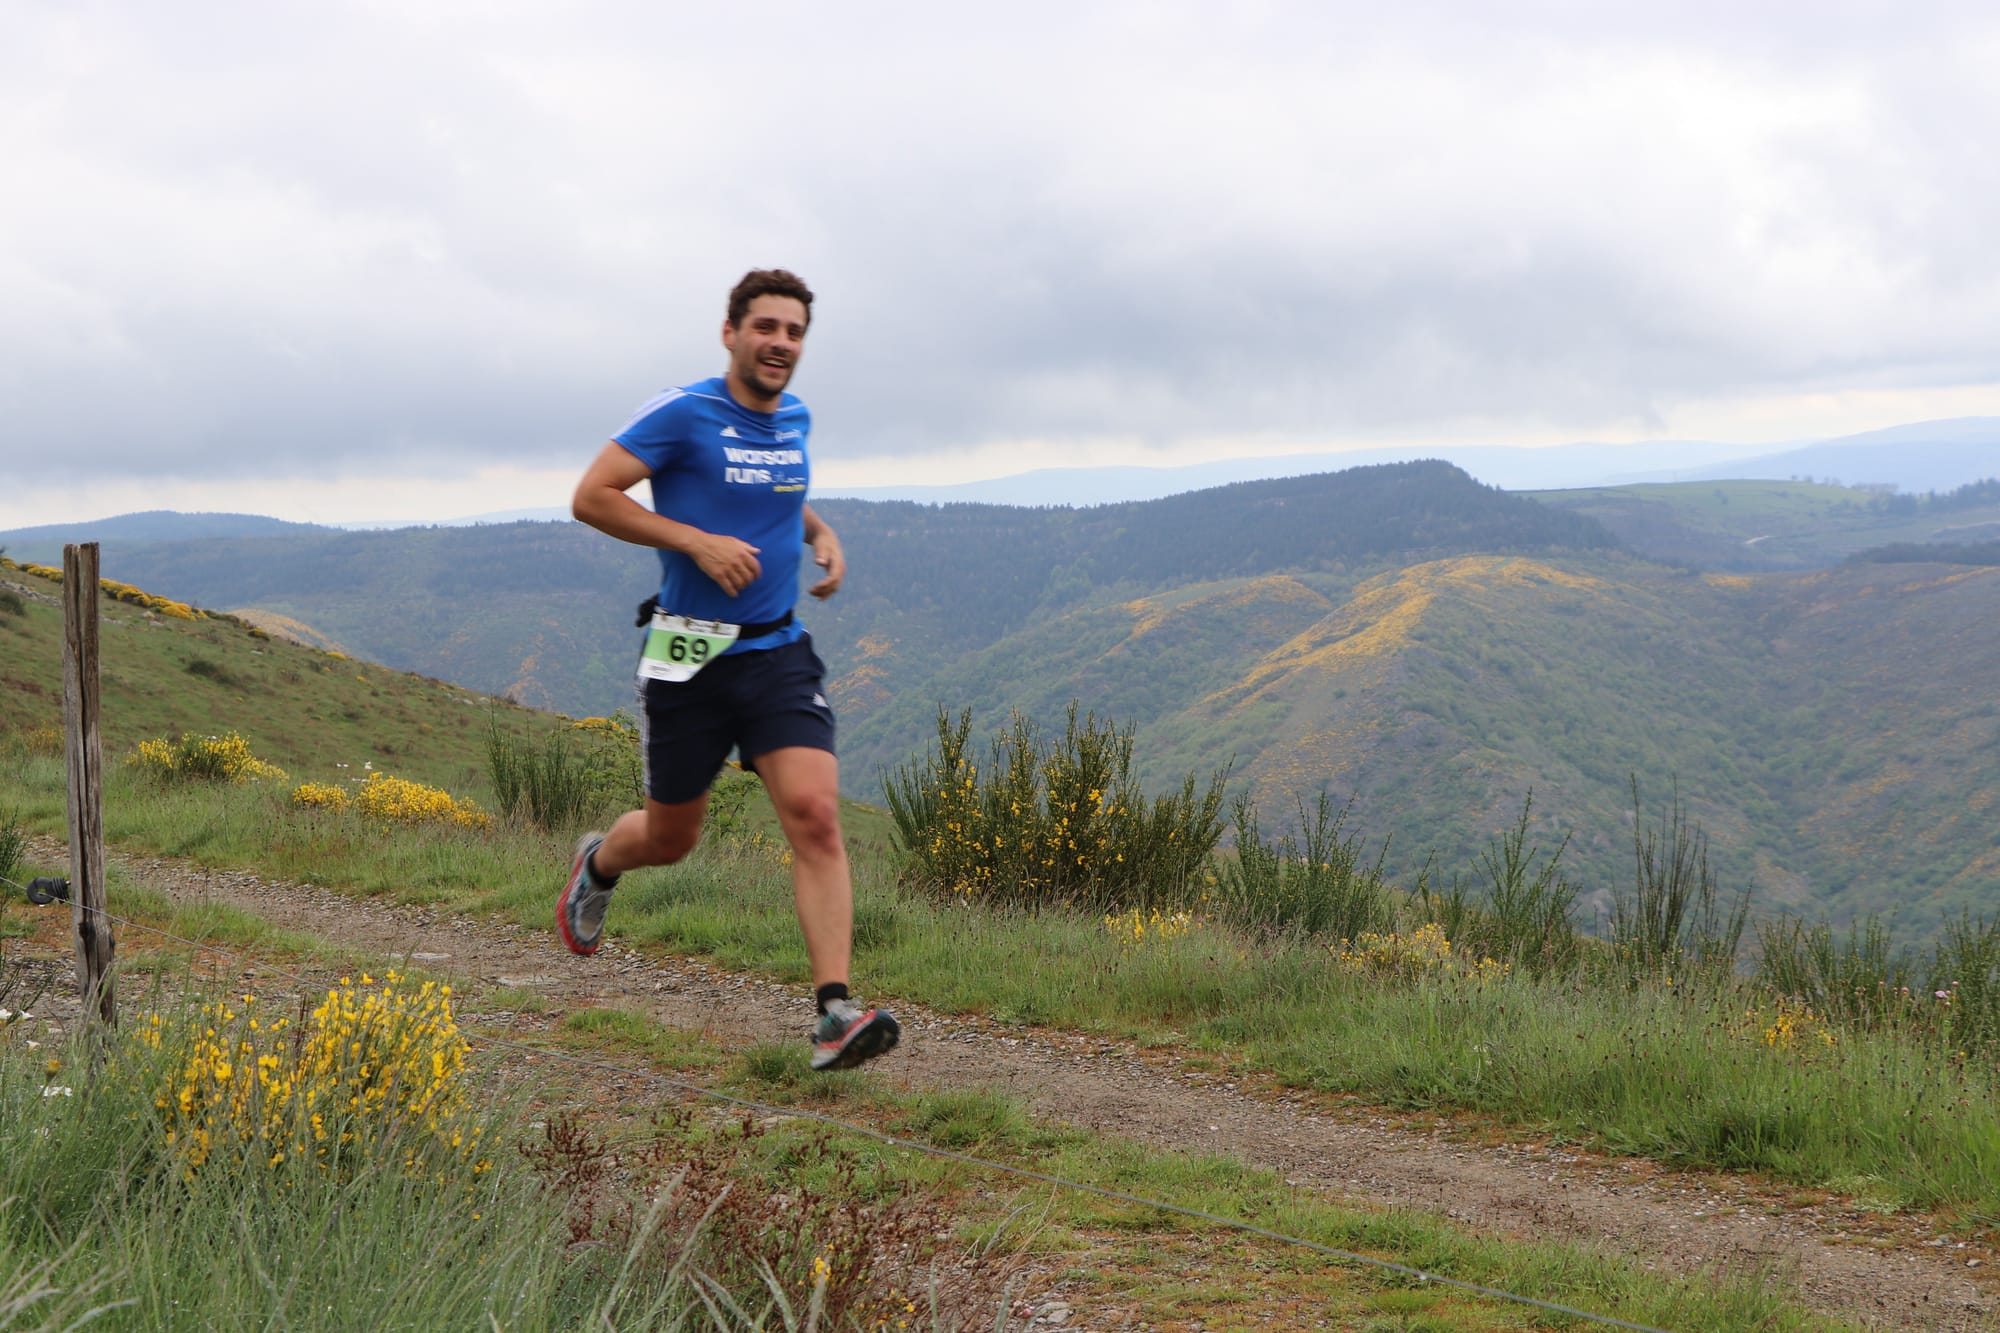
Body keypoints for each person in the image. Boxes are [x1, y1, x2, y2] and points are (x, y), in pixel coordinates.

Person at [556, 268, 899, 1072]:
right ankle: (601, 860)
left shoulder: (797, 417)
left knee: (815, 815)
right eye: (767, 327)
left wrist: (820, 531)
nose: (781, 343)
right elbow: (592, 496)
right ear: (730, 332)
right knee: (672, 838)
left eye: (795, 331)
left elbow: (776, 492)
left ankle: (834, 1012)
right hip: (688, 649)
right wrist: (693, 541)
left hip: (777, 648)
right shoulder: (684, 412)